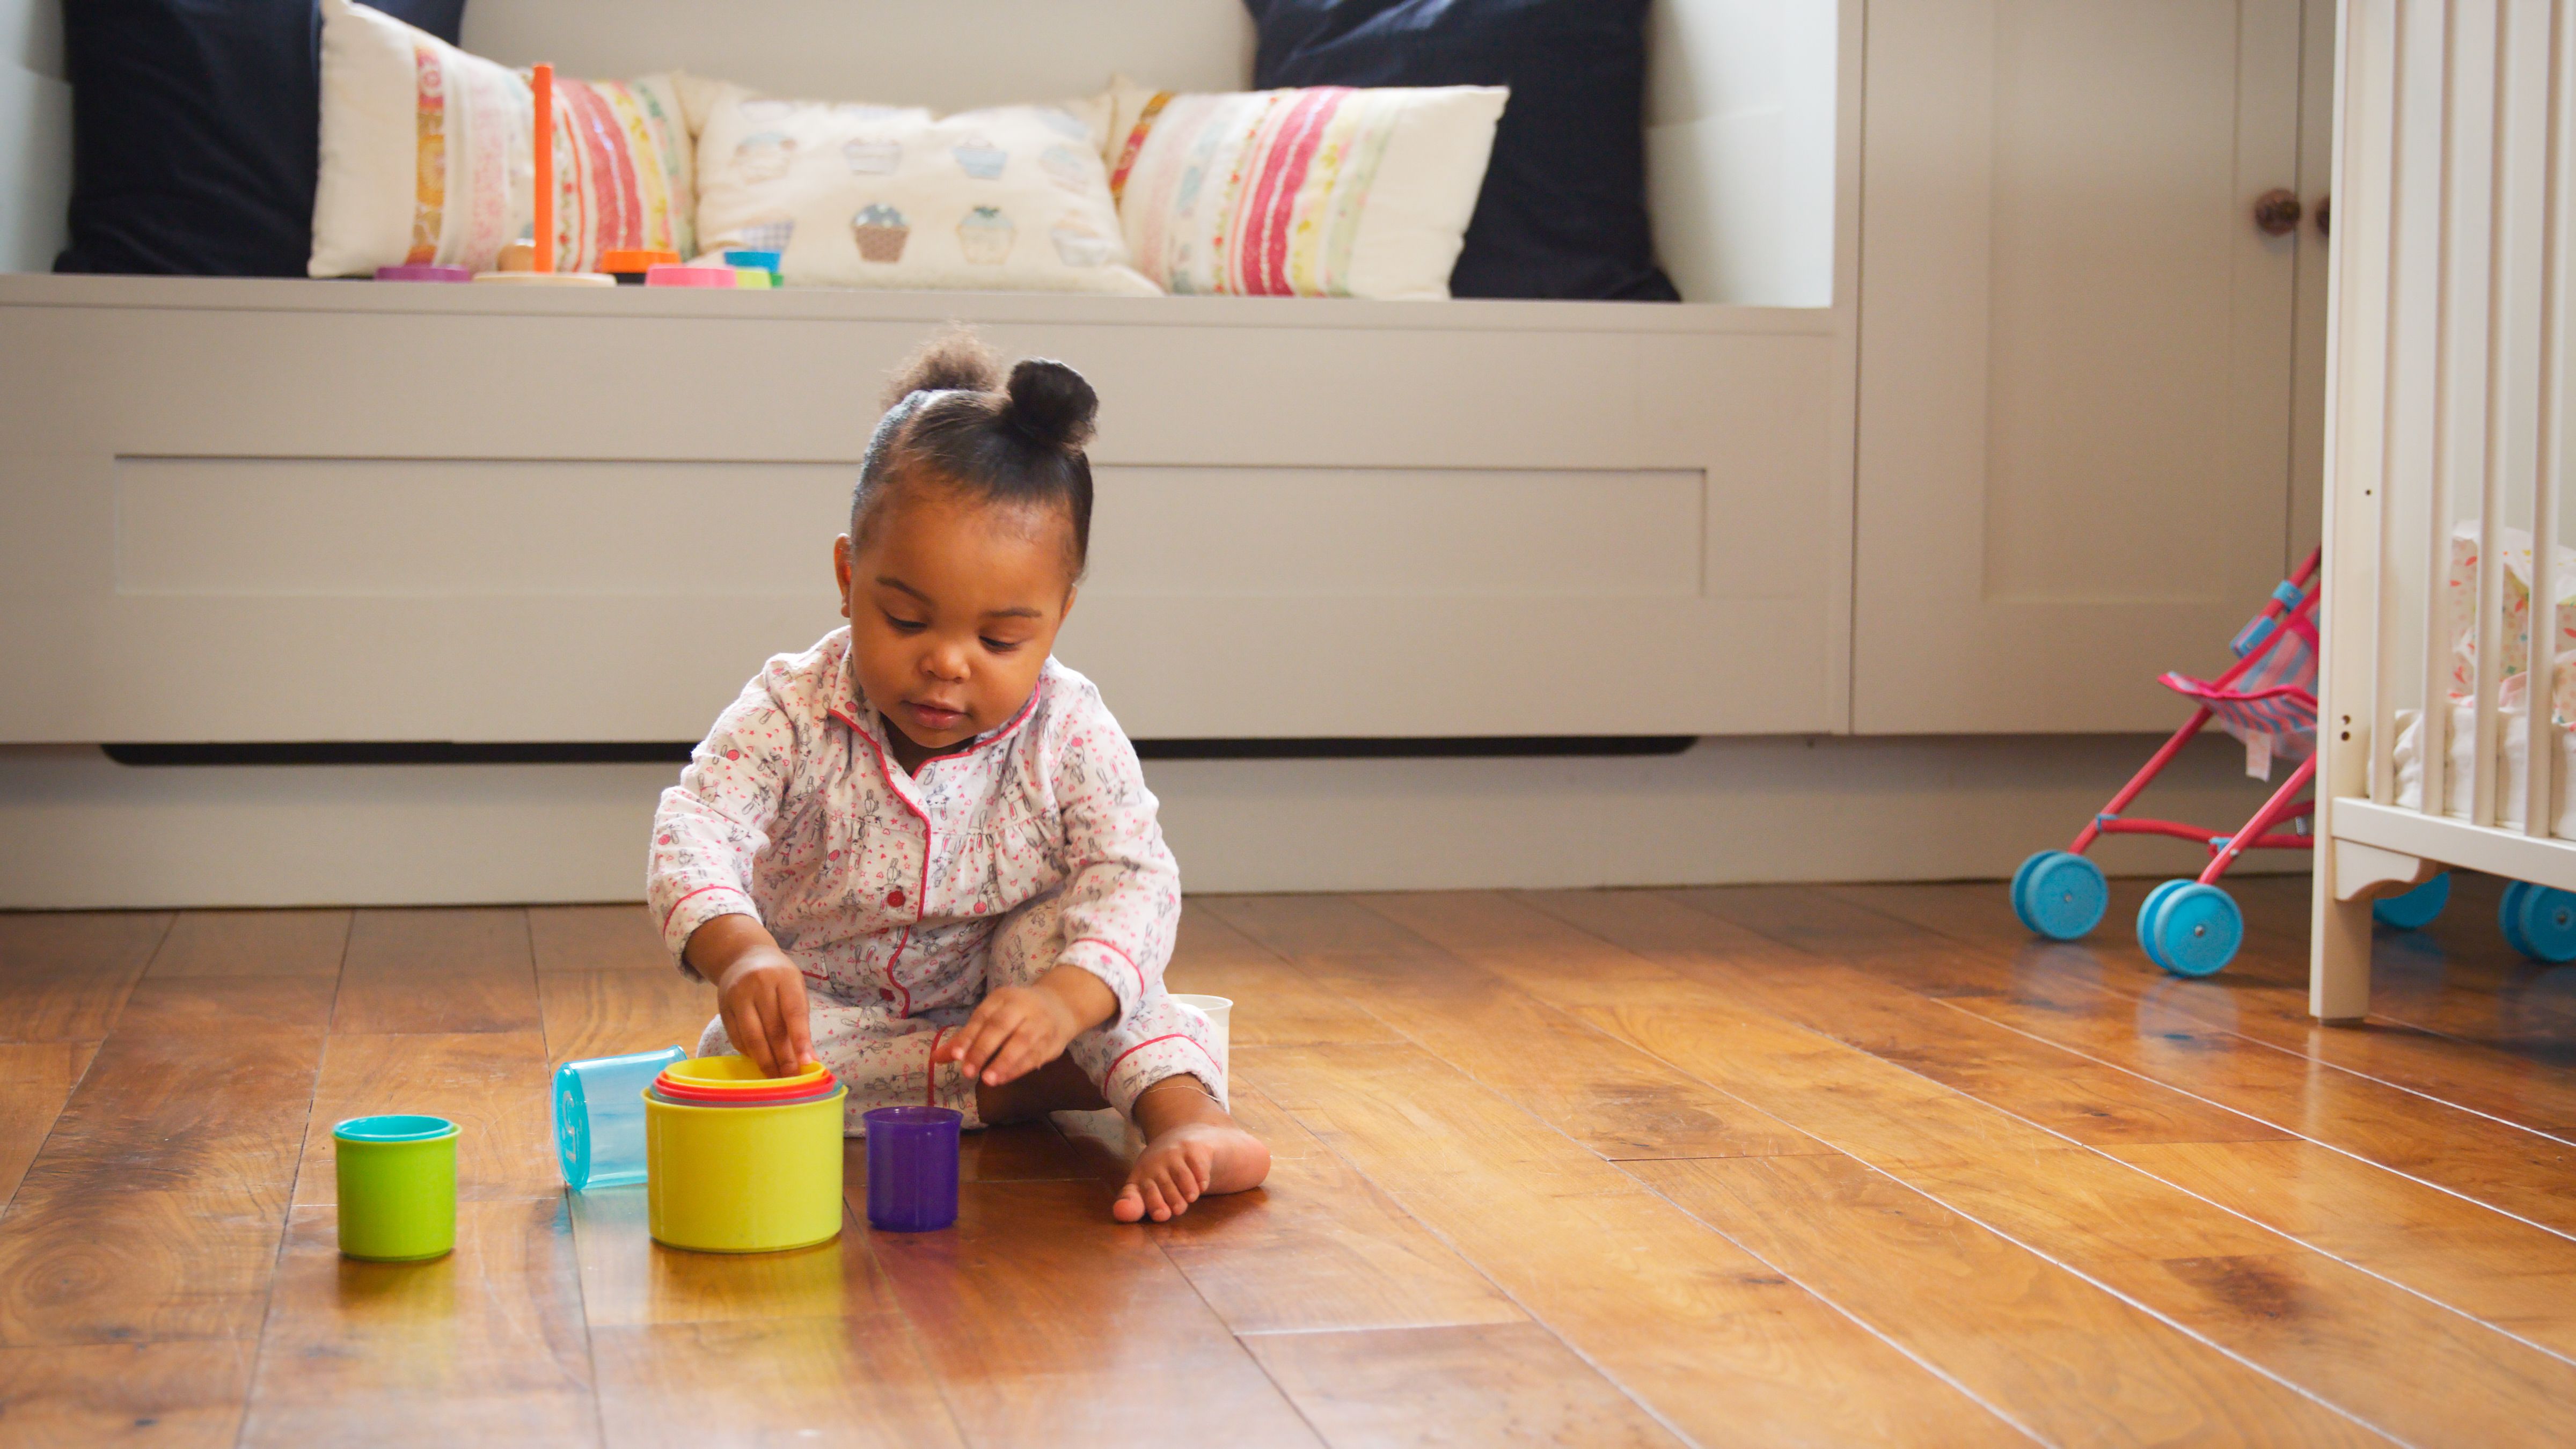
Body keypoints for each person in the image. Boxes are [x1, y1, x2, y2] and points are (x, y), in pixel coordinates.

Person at [647, 328, 1268, 1223]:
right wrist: (741, 949)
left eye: (1000, 640)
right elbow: (695, 825)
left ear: (1057, 619)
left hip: (1016, 989)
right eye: (905, 620)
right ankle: (1031, 1088)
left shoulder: (1069, 727)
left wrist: (1066, 1000)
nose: (946, 663)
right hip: (838, 1001)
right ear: (847, 576)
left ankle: (1185, 1116)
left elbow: (1134, 877)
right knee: (741, 1058)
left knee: (1086, 954)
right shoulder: (791, 708)